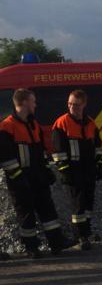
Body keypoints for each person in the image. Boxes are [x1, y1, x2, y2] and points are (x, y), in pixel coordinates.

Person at [0, 88, 74, 258]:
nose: (35, 105)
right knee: (26, 215)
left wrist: (47, 170)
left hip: (38, 177)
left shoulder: (34, 125)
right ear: (25, 102)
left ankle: (57, 242)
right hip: (20, 180)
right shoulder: (6, 127)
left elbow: (41, 151)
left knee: (48, 210)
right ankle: (31, 248)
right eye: (33, 101)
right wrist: (19, 179)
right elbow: (7, 159)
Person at [52, 89, 102, 250]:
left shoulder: (90, 123)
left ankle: (87, 232)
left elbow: (97, 147)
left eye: (75, 104)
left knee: (88, 203)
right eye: (69, 103)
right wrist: (65, 171)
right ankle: (80, 236)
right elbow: (58, 152)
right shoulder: (61, 123)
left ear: (84, 104)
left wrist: (99, 164)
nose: (71, 107)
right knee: (78, 206)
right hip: (73, 171)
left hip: (88, 170)